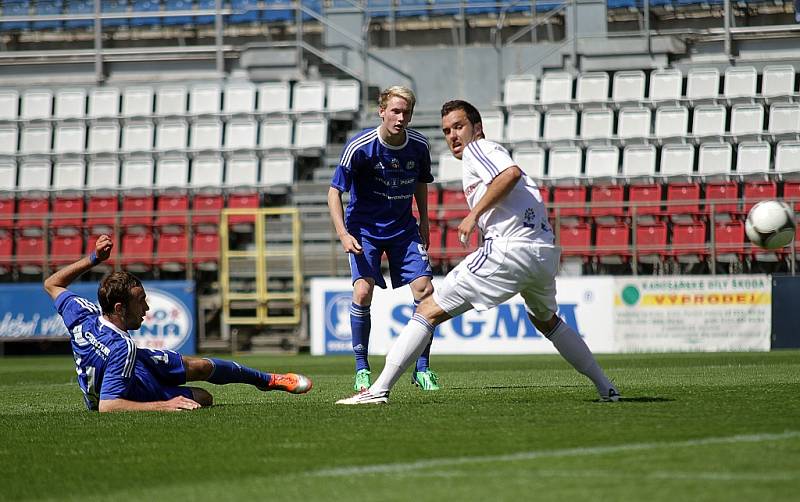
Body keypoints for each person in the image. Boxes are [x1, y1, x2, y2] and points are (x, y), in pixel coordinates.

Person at [337, 99, 620, 405]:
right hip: (542, 252)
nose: (453, 136)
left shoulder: (478, 149)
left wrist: (473, 216)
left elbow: (509, 175)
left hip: (509, 249)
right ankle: (606, 387)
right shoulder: (483, 154)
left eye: (459, 127)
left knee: (426, 310)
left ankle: (378, 390)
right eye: (447, 131)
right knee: (546, 319)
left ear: (477, 128)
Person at [44, 235, 312, 412]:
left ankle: (269, 380)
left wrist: (94, 259)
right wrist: (163, 405)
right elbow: (108, 406)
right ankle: (261, 381)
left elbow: (52, 283)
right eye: (140, 302)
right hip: (126, 391)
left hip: (133, 365)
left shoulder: (83, 313)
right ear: (119, 308)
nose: (147, 308)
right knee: (203, 398)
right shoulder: (120, 347)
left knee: (201, 365)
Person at [328, 85, 440, 392]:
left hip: (404, 229)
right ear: (382, 111)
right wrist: (343, 233)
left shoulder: (418, 145)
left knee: (426, 292)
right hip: (364, 230)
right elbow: (334, 192)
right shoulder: (360, 146)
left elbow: (420, 183)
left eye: (406, 112)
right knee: (363, 292)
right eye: (395, 111)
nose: (401, 118)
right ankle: (362, 368)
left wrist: (426, 222)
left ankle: (423, 369)